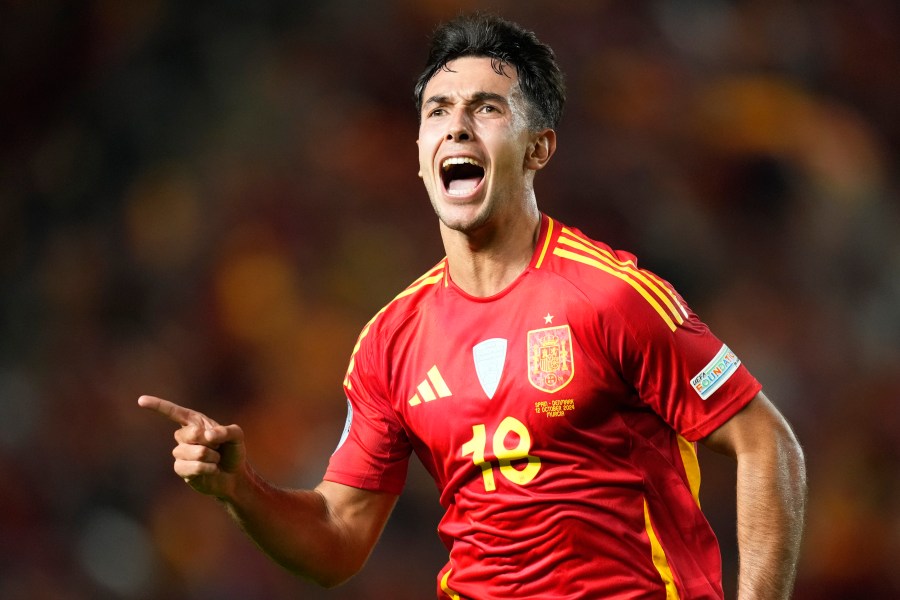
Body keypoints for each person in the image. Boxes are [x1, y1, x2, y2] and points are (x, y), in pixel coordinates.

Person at [139, 13, 806, 599]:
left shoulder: (613, 297)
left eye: (486, 108)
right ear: (423, 157)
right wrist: (240, 490)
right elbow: (337, 540)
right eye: (438, 110)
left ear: (538, 148)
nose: (456, 125)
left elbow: (766, 443)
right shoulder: (391, 341)